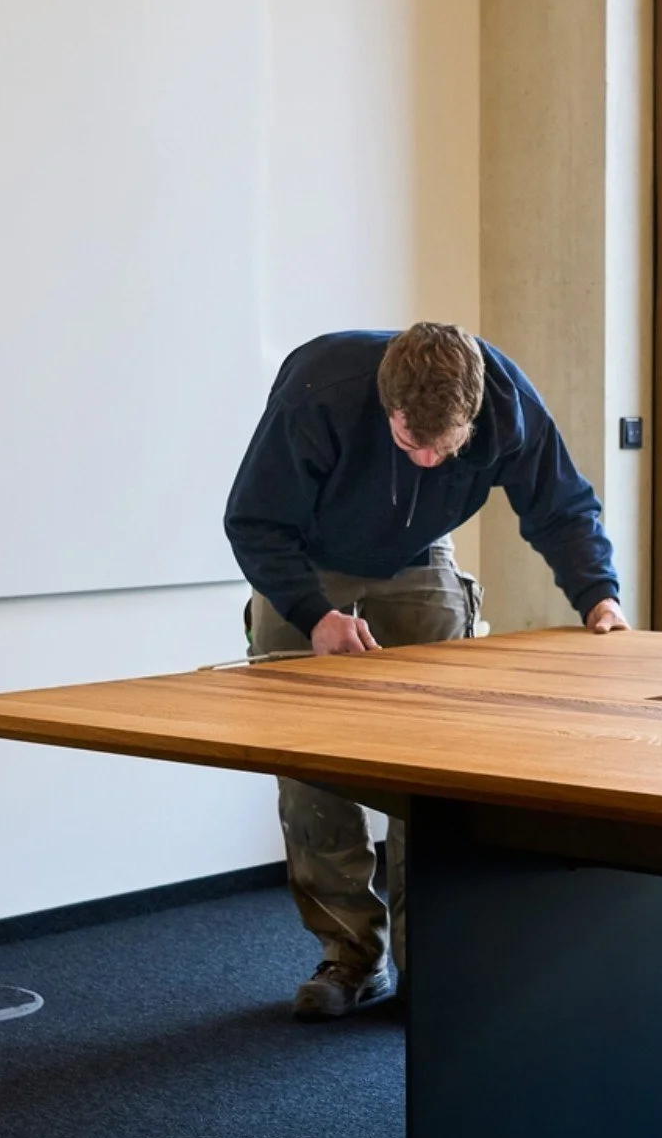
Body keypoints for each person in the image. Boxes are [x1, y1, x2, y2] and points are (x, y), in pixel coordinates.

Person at [224, 322, 628, 1020]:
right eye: (413, 445)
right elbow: (253, 521)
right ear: (388, 407)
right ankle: (351, 958)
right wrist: (315, 615)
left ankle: (432, 960)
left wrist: (600, 598)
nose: (430, 462)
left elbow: (561, 507)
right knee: (309, 767)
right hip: (306, 559)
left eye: (448, 448)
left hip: (420, 556)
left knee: (438, 767)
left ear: (474, 412)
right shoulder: (320, 391)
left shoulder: (506, 401)